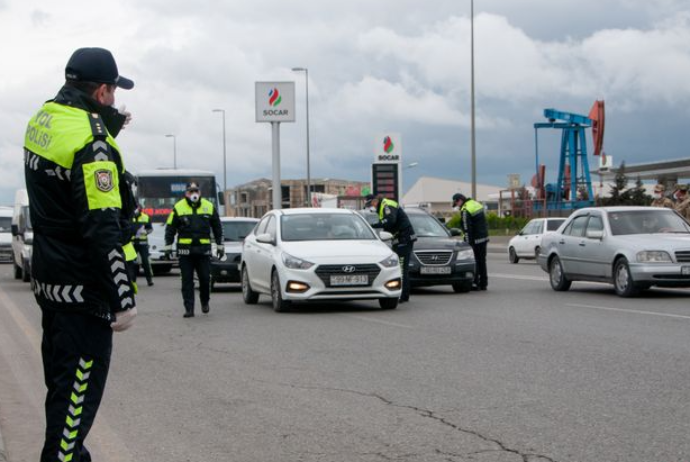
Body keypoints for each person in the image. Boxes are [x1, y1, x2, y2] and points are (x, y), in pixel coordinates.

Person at [24, 47, 137, 462]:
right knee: (70, 432)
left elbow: (61, 187)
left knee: (62, 403)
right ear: (103, 90)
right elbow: (101, 226)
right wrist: (122, 298)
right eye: (111, 93)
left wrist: (105, 128)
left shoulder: (44, 118)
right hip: (84, 296)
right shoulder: (92, 143)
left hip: (51, 286)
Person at [165, 182, 223, 317]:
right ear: (186, 193)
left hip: (203, 251)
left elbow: (217, 227)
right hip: (185, 253)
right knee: (187, 281)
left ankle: (205, 301)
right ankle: (189, 309)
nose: (193, 194)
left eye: (195, 191)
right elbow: (170, 228)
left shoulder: (209, 207)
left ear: (200, 192)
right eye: (190, 191)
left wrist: (220, 246)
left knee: (204, 279)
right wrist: (168, 247)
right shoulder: (178, 207)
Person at [364, 194, 417, 303]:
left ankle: (402, 296)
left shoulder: (386, 205)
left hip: (404, 239)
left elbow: (390, 221)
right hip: (399, 239)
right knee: (400, 268)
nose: (371, 206)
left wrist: (373, 225)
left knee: (402, 269)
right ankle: (404, 294)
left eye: (370, 203)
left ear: (375, 200)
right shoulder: (381, 207)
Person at [452, 193, 489, 291]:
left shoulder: (465, 209)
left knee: (474, 262)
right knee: (482, 261)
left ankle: (475, 283)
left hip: (474, 240)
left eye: (457, 204)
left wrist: (468, 244)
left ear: (459, 200)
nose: (458, 206)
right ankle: (484, 283)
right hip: (483, 238)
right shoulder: (476, 204)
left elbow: (467, 228)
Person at [131, 205, 154, 286]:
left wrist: (145, 232)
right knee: (132, 263)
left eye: (137, 208)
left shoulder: (145, 217)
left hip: (143, 243)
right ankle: (132, 280)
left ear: (140, 209)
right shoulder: (129, 217)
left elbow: (150, 229)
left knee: (145, 261)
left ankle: (149, 280)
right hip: (132, 243)